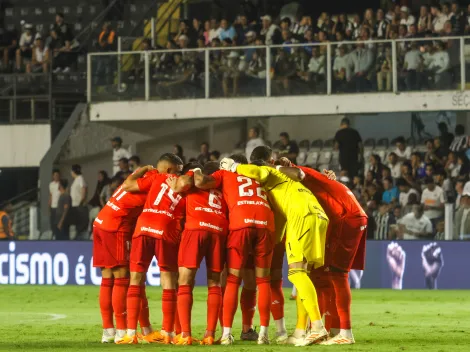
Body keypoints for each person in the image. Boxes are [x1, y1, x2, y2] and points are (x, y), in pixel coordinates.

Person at [217, 154, 331, 346]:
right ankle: (300, 332)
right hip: (318, 216)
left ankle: (318, 327)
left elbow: (259, 171)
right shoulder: (283, 185)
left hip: (302, 216)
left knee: (296, 274)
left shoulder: (269, 173)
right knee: (303, 274)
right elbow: (279, 229)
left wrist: (234, 166)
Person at [275, 152, 367, 345]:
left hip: (345, 218)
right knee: (325, 275)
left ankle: (344, 333)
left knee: (336, 275)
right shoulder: (315, 180)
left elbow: (298, 174)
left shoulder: (301, 175)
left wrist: (276, 169)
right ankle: (333, 329)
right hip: (349, 217)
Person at [193, 154, 275, 345]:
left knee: (232, 280)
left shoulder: (224, 174)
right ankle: (263, 333)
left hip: (240, 224)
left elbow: (202, 182)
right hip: (265, 223)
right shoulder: (257, 175)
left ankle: (226, 334)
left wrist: (196, 170)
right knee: (263, 281)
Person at [117, 154, 184, 344]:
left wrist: (142, 170)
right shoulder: (185, 184)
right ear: (170, 169)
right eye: (178, 169)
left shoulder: (155, 177)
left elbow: (128, 185)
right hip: (166, 229)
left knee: (136, 280)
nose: (181, 172)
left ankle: (131, 334)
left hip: (143, 227)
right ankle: (168, 333)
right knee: (168, 280)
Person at [163, 161, 228, 345]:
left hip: (196, 229)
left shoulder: (194, 177)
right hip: (218, 230)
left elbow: (181, 185)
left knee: (184, 280)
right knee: (215, 282)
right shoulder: (221, 186)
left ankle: (185, 334)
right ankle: (209, 335)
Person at [93, 167, 153, 343]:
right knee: (121, 277)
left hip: (100, 222)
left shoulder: (131, 182)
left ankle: (108, 331)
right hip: (116, 227)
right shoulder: (148, 190)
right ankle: (121, 330)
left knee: (107, 278)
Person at [70, 164, 89, 240]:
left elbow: (84, 190)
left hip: (79, 206)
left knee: (81, 227)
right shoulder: (76, 180)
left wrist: (81, 202)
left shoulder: (80, 179)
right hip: (75, 206)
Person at [49, 169, 61, 234]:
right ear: (53, 176)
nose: (56, 176)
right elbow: (50, 195)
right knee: (52, 222)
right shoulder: (51, 184)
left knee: (58, 222)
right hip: (53, 206)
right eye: (55, 175)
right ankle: (53, 234)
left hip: (59, 206)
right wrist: (49, 205)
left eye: (57, 175)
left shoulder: (61, 184)